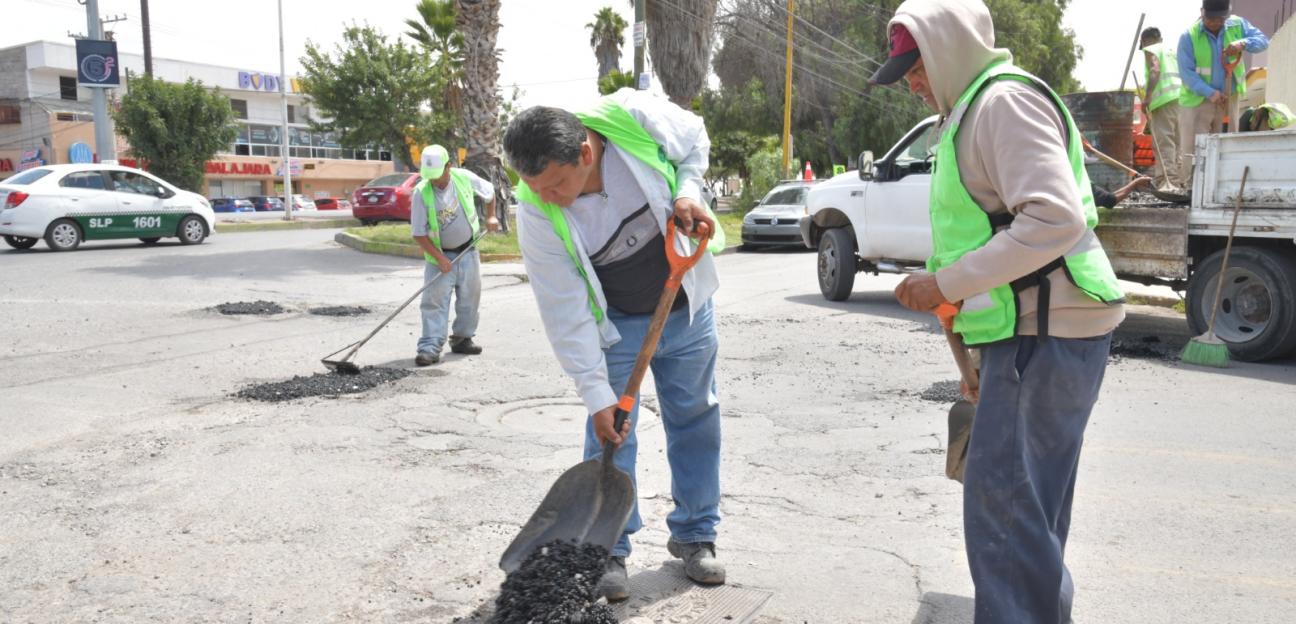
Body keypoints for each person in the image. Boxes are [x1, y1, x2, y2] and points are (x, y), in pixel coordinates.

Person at [872, 1, 1126, 622]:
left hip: (1047, 330)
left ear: (948, 50)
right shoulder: (974, 110)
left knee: (1008, 518)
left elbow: (1054, 218)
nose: (912, 81)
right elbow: (996, 229)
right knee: (1026, 516)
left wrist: (944, 284)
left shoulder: (1000, 104)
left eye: (917, 65)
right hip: (1033, 333)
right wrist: (980, 350)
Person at [502, 88, 727, 602]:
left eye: (559, 184)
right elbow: (562, 304)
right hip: (618, 321)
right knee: (610, 431)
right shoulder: (535, 204)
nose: (551, 197)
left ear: (585, 152)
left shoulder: (634, 118)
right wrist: (595, 393)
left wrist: (689, 192)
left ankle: (696, 536)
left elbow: (694, 142)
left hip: (685, 303)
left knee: (696, 415)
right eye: (540, 188)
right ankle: (609, 552)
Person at [409, 144, 498, 366]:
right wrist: (440, 259)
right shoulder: (421, 192)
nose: (434, 181)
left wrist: (491, 217)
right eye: (430, 176)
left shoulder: (464, 177)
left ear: (449, 167)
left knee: (470, 298)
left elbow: (490, 193)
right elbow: (419, 234)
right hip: (439, 256)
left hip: (468, 250)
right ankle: (430, 347)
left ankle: (462, 339)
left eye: (438, 175)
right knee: (434, 302)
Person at [1177, 0, 1268, 188]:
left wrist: (1244, 43)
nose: (1215, 23)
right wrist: (1211, 93)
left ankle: (1223, 187)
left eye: (1220, 19)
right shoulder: (1189, 36)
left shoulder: (1238, 25)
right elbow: (1187, 74)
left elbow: (1263, 42)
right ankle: (1192, 189)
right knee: (1194, 147)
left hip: (1229, 98)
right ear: (1202, 12)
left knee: (1226, 146)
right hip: (1197, 100)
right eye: (1211, 19)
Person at [1139, 27, 1186, 192]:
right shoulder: (1173, 52)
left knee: (1164, 143)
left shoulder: (1150, 49)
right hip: (1182, 100)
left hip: (1163, 101)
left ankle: (1168, 183)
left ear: (1145, 41)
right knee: (1179, 144)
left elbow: (1155, 70)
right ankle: (1181, 182)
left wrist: (1147, 98)